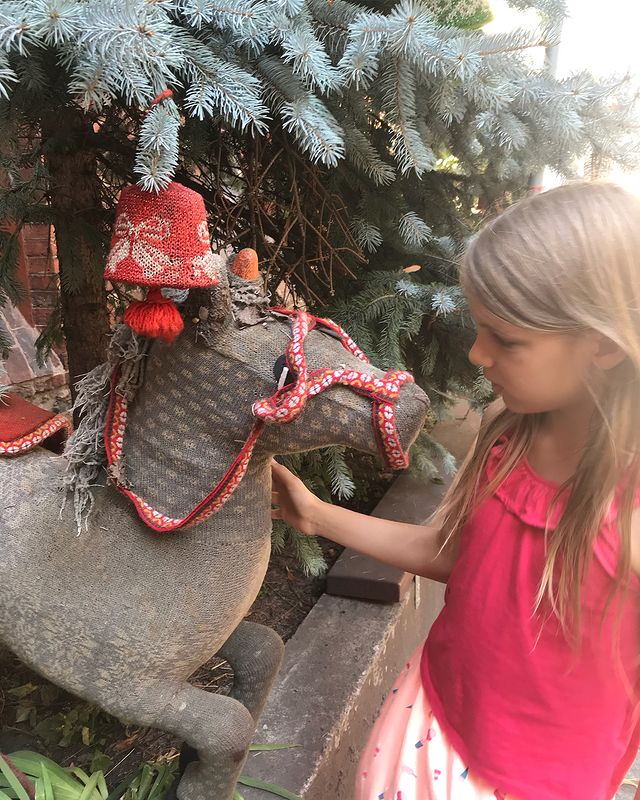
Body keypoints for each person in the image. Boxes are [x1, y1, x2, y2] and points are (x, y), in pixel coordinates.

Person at [271, 181, 640, 800]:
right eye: (479, 329)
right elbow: (462, 558)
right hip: (433, 720)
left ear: (603, 342)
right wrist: (316, 515)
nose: (476, 354)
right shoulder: (508, 437)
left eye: (507, 339)